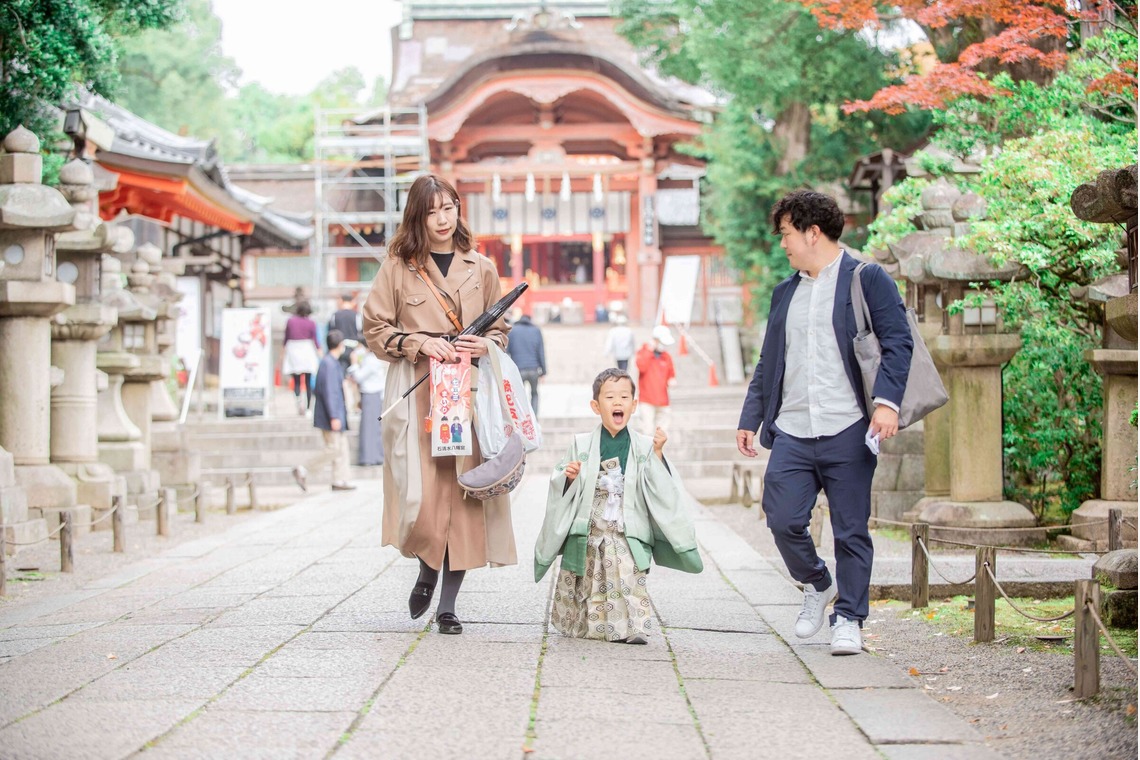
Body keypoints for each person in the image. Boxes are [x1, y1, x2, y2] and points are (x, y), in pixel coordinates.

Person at [736, 190, 912, 656]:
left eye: (787, 235)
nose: (783, 245)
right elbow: (769, 361)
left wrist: (888, 402)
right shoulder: (785, 292)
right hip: (793, 427)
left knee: (850, 528)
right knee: (782, 519)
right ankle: (817, 582)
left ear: (813, 232)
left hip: (849, 426)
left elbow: (899, 343)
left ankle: (850, 617)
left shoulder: (867, 279)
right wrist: (751, 417)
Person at [361, 173, 515, 636]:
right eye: (431, 211)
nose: (442, 219)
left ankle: (448, 604)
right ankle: (426, 569)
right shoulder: (398, 266)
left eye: (449, 207)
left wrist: (483, 346)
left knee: (465, 492)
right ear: (417, 216)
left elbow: (501, 331)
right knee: (422, 495)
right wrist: (419, 343)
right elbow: (374, 330)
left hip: (467, 393)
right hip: (420, 392)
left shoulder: (481, 267)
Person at [535, 368, 702, 645]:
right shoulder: (581, 443)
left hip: (625, 524)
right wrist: (570, 476)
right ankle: (588, 626)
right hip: (591, 522)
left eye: (625, 397)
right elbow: (560, 478)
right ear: (595, 406)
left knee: (627, 576)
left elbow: (660, 489)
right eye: (610, 397)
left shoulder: (645, 445)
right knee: (589, 579)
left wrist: (658, 455)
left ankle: (635, 627)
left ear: (634, 405)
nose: (618, 402)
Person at [292, 329, 357, 492]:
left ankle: (340, 479)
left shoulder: (330, 362)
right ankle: (303, 469)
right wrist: (334, 415)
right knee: (334, 448)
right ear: (340, 345)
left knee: (341, 448)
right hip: (331, 415)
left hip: (335, 413)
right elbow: (330, 392)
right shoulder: (328, 364)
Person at [348, 349, 387, 466]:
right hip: (371, 394)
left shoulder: (372, 360)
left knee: (370, 427)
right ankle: (373, 456)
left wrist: (354, 363)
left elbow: (358, 377)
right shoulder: (371, 358)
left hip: (372, 393)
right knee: (372, 427)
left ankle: (370, 457)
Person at [634, 325, 676, 433]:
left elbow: (671, 373)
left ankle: (658, 450)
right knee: (647, 430)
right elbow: (641, 366)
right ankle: (647, 450)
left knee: (662, 432)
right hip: (647, 399)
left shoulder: (666, 357)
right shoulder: (643, 352)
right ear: (656, 340)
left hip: (663, 399)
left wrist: (671, 379)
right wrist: (649, 350)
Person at [281, 301, 320, 415]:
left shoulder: (290, 321)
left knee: (297, 381)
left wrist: (282, 353)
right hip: (307, 349)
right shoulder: (311, 323)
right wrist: (319, 352)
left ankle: (299, 403)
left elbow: (286, 338)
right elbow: (315, 340)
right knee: (308, 381)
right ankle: (308, 408)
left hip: (293, 350)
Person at [505, 311, 546, 415]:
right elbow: (540, 351)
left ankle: (522, 417)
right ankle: (534, 418)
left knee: (518, 396)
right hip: (533, 369)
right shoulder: (536, 330)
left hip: (518, 370)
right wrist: (544, 371)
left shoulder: (513, 331)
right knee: (534, 394)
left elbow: (507, 351)